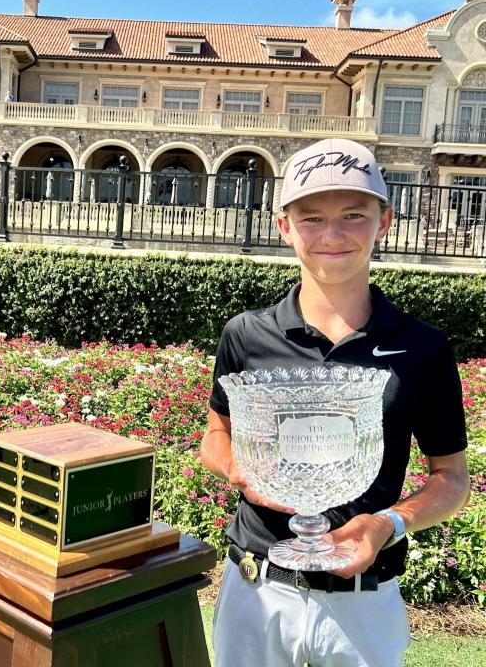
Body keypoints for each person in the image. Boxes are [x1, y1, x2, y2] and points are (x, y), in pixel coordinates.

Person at [200, 138, 470, 667]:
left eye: (353, 214)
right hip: (256, 588)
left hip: (364, 601)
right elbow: (215, 435)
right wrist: (241, 469)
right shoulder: (246, 334)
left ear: (384, 220)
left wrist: (388, 524)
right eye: (311, 217)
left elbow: (452, 478)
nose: (332, 235)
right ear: (284, 226)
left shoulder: (423, 347)